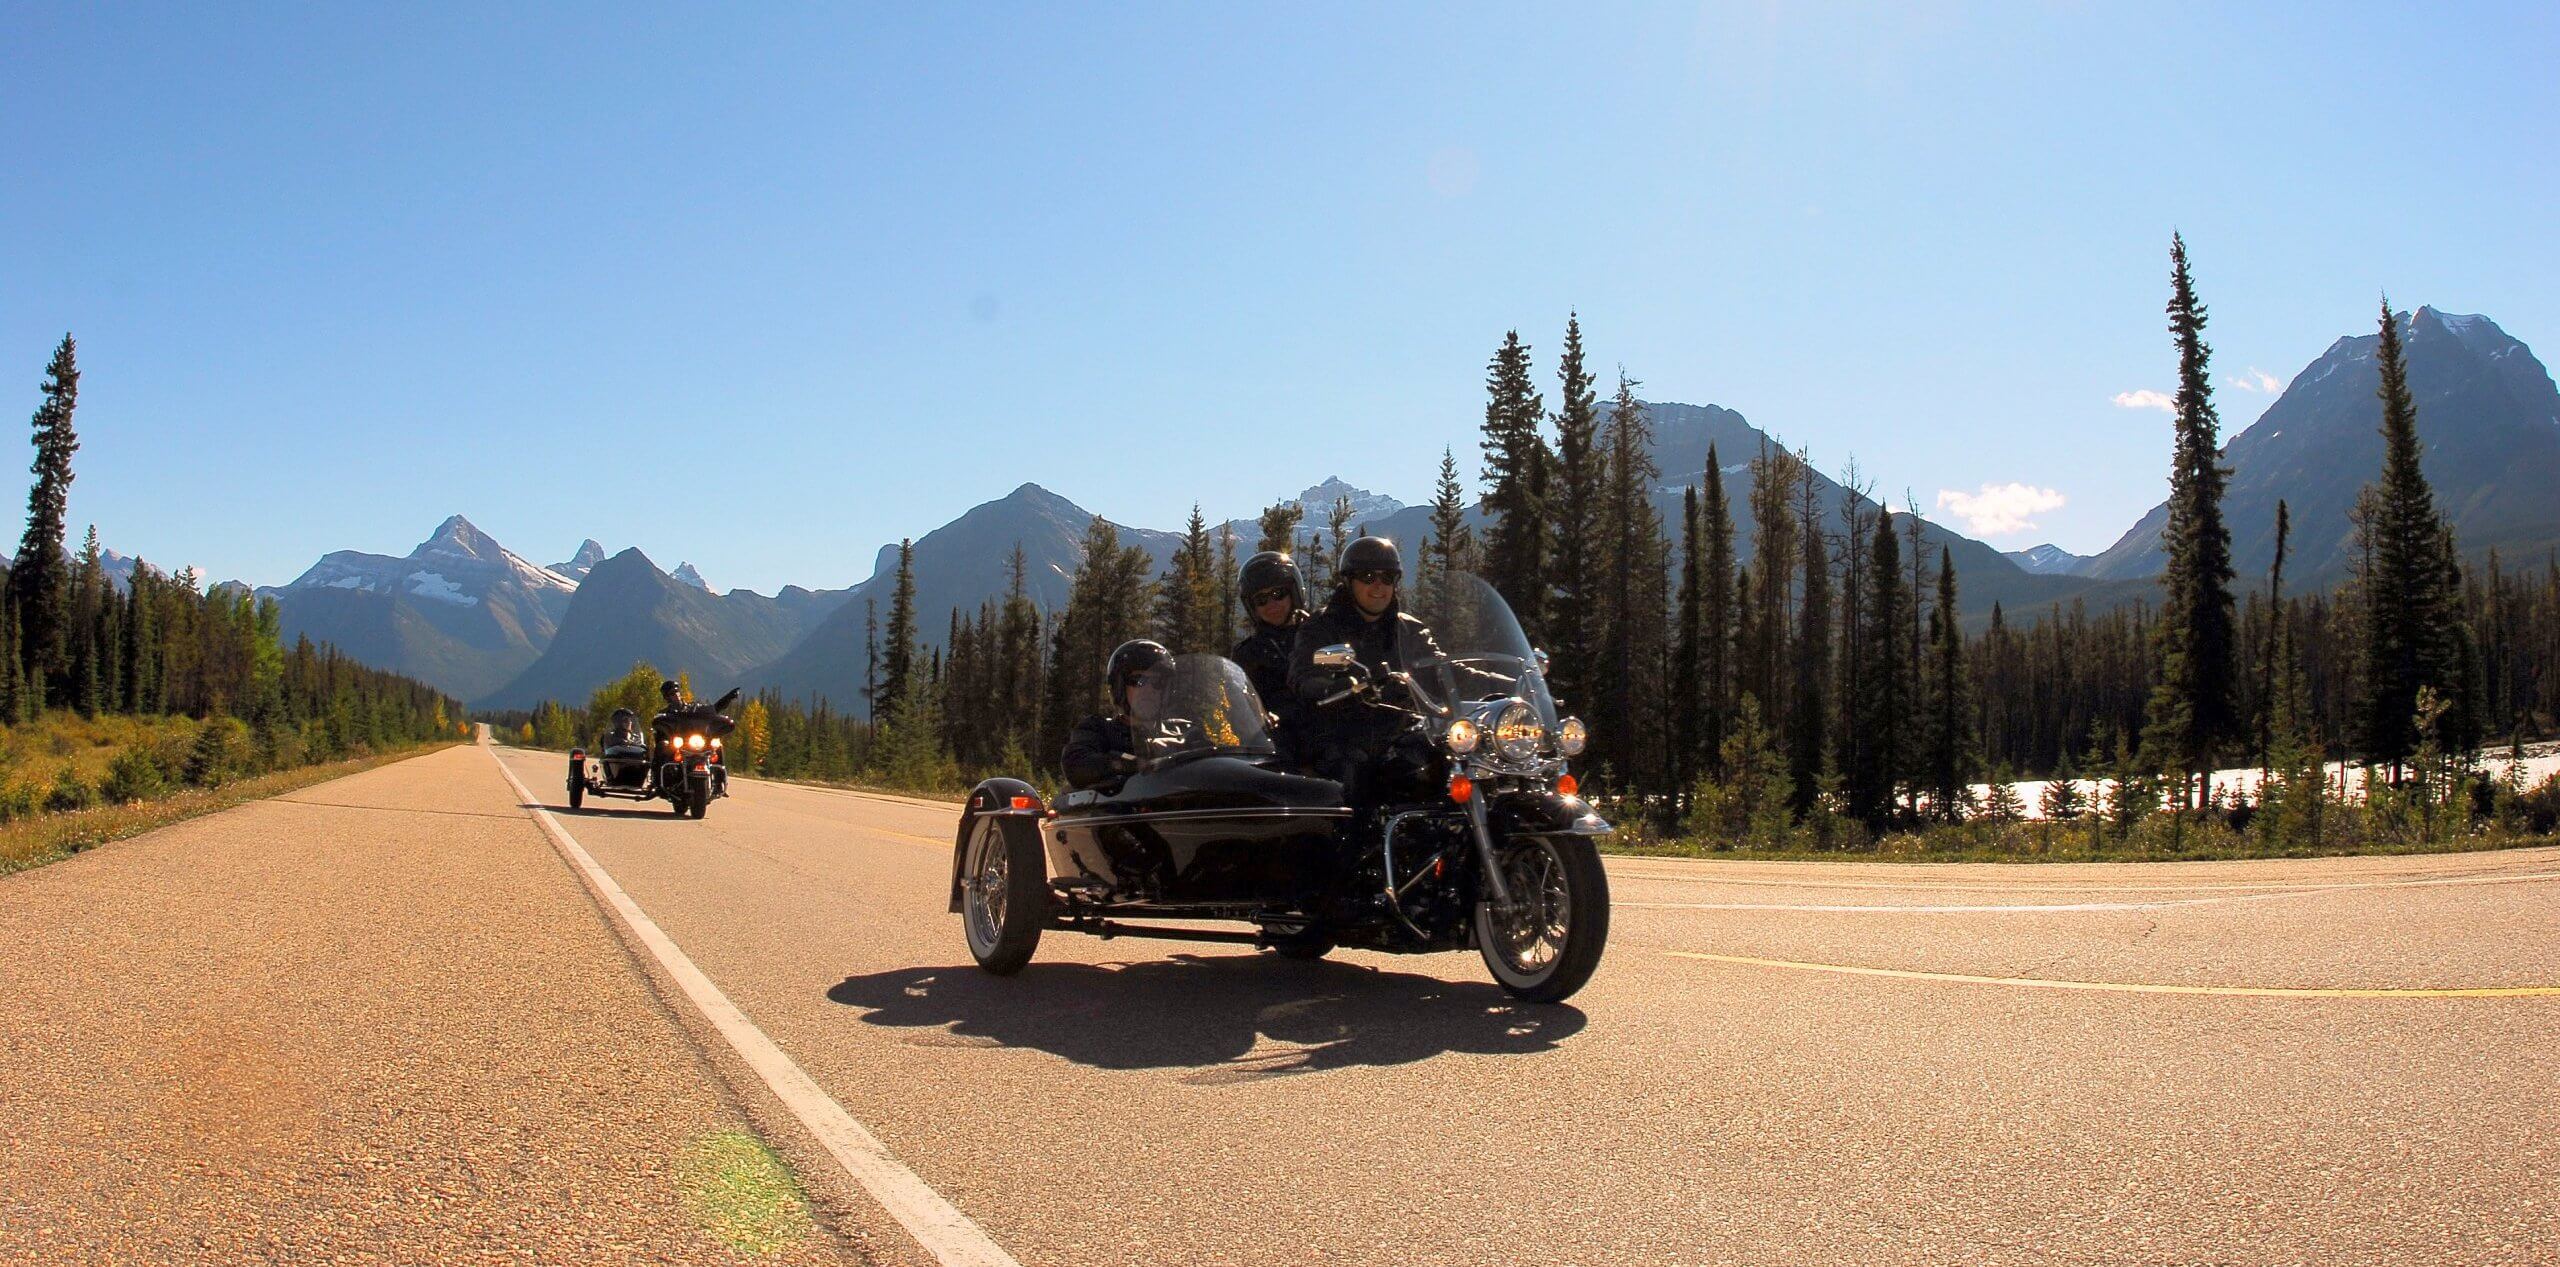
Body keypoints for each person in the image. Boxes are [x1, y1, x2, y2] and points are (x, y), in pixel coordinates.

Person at [1286, 537, 1454, 803]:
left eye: (1387, 578)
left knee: (1451, 761)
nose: (1378, 586)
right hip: (1341, 736)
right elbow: (1305, 674)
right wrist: (1339, 687)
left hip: (1401, 734)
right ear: (1349, 581)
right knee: (1351, 779)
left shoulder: (1410, 630)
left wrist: (1504, 680)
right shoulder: (1321, 627)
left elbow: (1443, 670)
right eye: (1368, 577)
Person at [1062, 639, 1171, 790]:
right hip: (1126, 804)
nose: (1149, 689)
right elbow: (1076, 765)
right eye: (1138, 680)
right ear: (1120, 687)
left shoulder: (1184, 732)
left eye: (1157, 682)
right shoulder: (1098, 730)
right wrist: (1125, 764)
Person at [1230, 550, 1309, 754]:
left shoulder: (1317, 636)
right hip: (1276, 750)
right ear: (1252, 606)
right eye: (1261, 599)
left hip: (1330, 743)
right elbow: (1238, 708)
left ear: (1293, 593)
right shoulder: (1247, 654)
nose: (1272, 604)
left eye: (1278, 594)